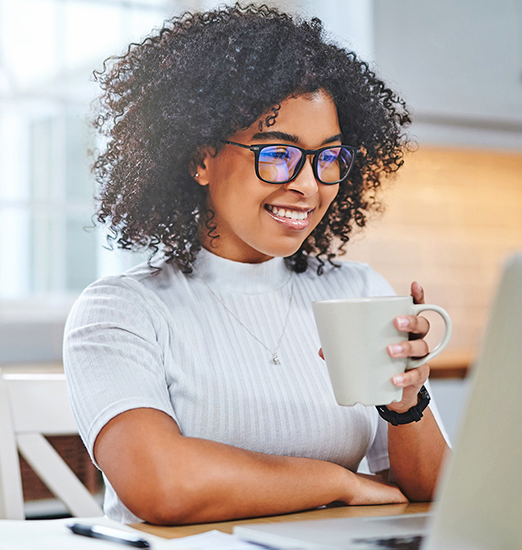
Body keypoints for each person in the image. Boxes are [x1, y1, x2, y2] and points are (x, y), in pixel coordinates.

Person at [64, 4, 449, 525]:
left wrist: (406, 405)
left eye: (329, 157)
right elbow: (163, 485)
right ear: (201, 158)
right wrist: (337, 482)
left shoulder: (357, 290)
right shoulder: (122, 310)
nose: (309, 185)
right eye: (276, 153)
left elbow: (430, 495)